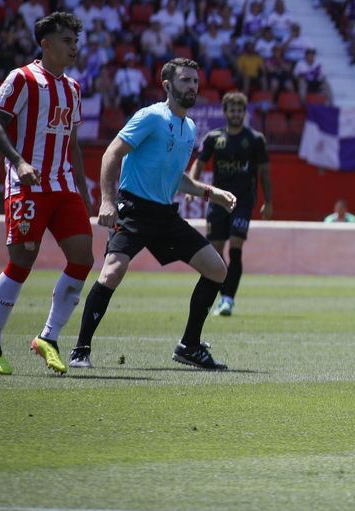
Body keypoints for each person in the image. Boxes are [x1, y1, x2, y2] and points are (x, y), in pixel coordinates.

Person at [68, 60, 238, 372]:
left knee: (217, 270)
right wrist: (107, 202)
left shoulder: (190, 128)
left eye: (195, 81)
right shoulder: (150, 117)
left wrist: (211, 192)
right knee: (112, 273)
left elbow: (176, 178)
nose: (192, 86)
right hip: (133, 210)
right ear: (167, 85)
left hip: (164, 216)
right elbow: (111, 153)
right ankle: (80, 350)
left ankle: (189, 346)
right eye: (185, 80)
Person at [0, 11, 94, 376]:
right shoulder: (22, 78)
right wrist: (19, 162)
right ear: (46, 44)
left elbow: (73, 144)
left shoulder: (73, 88)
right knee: (22, 261)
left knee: (83, 258)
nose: (74, 47)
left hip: (63, 186)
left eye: (76, 41)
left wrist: (84, 188)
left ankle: (49, 337)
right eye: (67, 41)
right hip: (27, 185)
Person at [192, 91, 273, 317]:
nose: (236, 114)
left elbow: (265, 172)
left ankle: (228, 299)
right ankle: (223, 296)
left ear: (244, 113)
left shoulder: (256, 139)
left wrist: (268, 201)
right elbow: (199, 164)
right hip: (218, 201)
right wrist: (192, 187)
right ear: (225, 112)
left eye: (239, 110)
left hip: (243, 201)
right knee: (215, 253)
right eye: (232, 110)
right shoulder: (213, 138)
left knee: (236, 247)